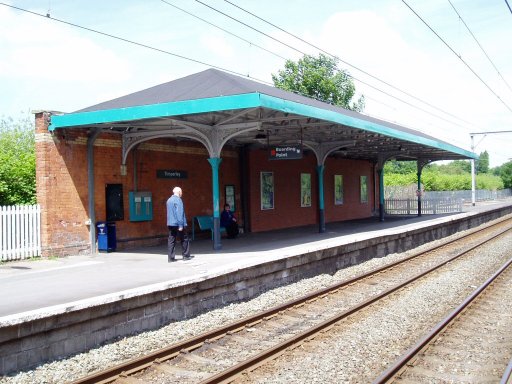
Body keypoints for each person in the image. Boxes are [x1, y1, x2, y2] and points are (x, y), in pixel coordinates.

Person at [166, 186, 192, 262]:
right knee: (184, 239)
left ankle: (170, 258)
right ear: (179, 192)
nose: (182, 193)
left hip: (170, 223)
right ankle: (186, 255)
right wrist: (181, 225)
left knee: (171, 240)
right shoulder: (178, 200)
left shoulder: (169, 200)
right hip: (178, 223)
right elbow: (179, 213)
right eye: (181, 192)